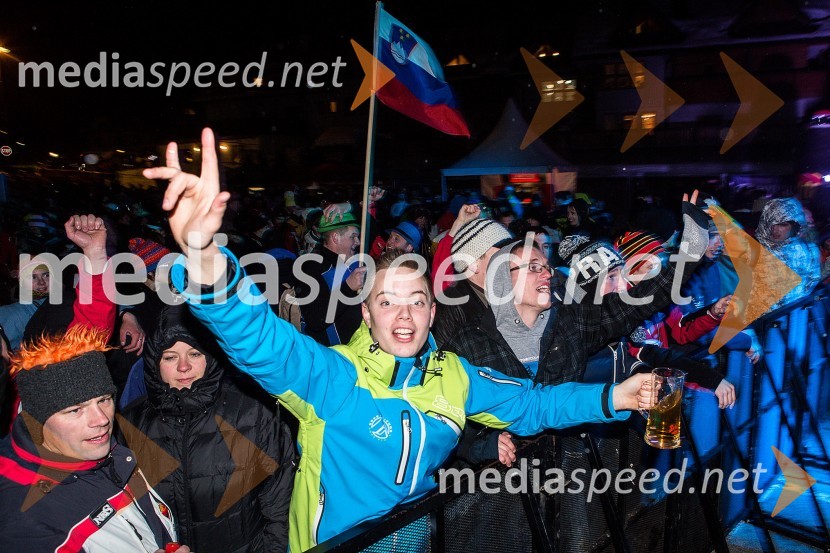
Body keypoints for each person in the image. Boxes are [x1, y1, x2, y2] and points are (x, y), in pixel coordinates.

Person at [143, 128, 655, 552]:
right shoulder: (335, 379)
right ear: (366, 313)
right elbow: (257, 337)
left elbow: (534, 405)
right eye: (387, 301)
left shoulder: (454, 377)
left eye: (415, 301)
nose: (403, 315)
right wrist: (205, 253)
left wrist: (615, 396)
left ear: (433, 312)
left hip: (412, 538)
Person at [0, 213, 189, 553]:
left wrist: (95, 256)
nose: (101, 419)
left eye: (104, 399)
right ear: (37, 415)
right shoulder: (25, 517)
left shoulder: (111, 454)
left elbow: (90, 328)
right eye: (75, 409)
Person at [121, 308, 295, 553]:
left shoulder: (252, 411)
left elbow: (278, 506)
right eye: (170, 357)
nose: (183, 367)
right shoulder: (131, 424)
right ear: (154, 362)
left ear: (210, 357)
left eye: (194, 353)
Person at [295, 211, 366, 346]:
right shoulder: (311, 267)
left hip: (360, 348)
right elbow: (316, 320)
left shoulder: (354, 262)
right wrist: (348, 287)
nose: (358, 242)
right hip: (333, 355)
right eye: (353, 237)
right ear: (335, 237)